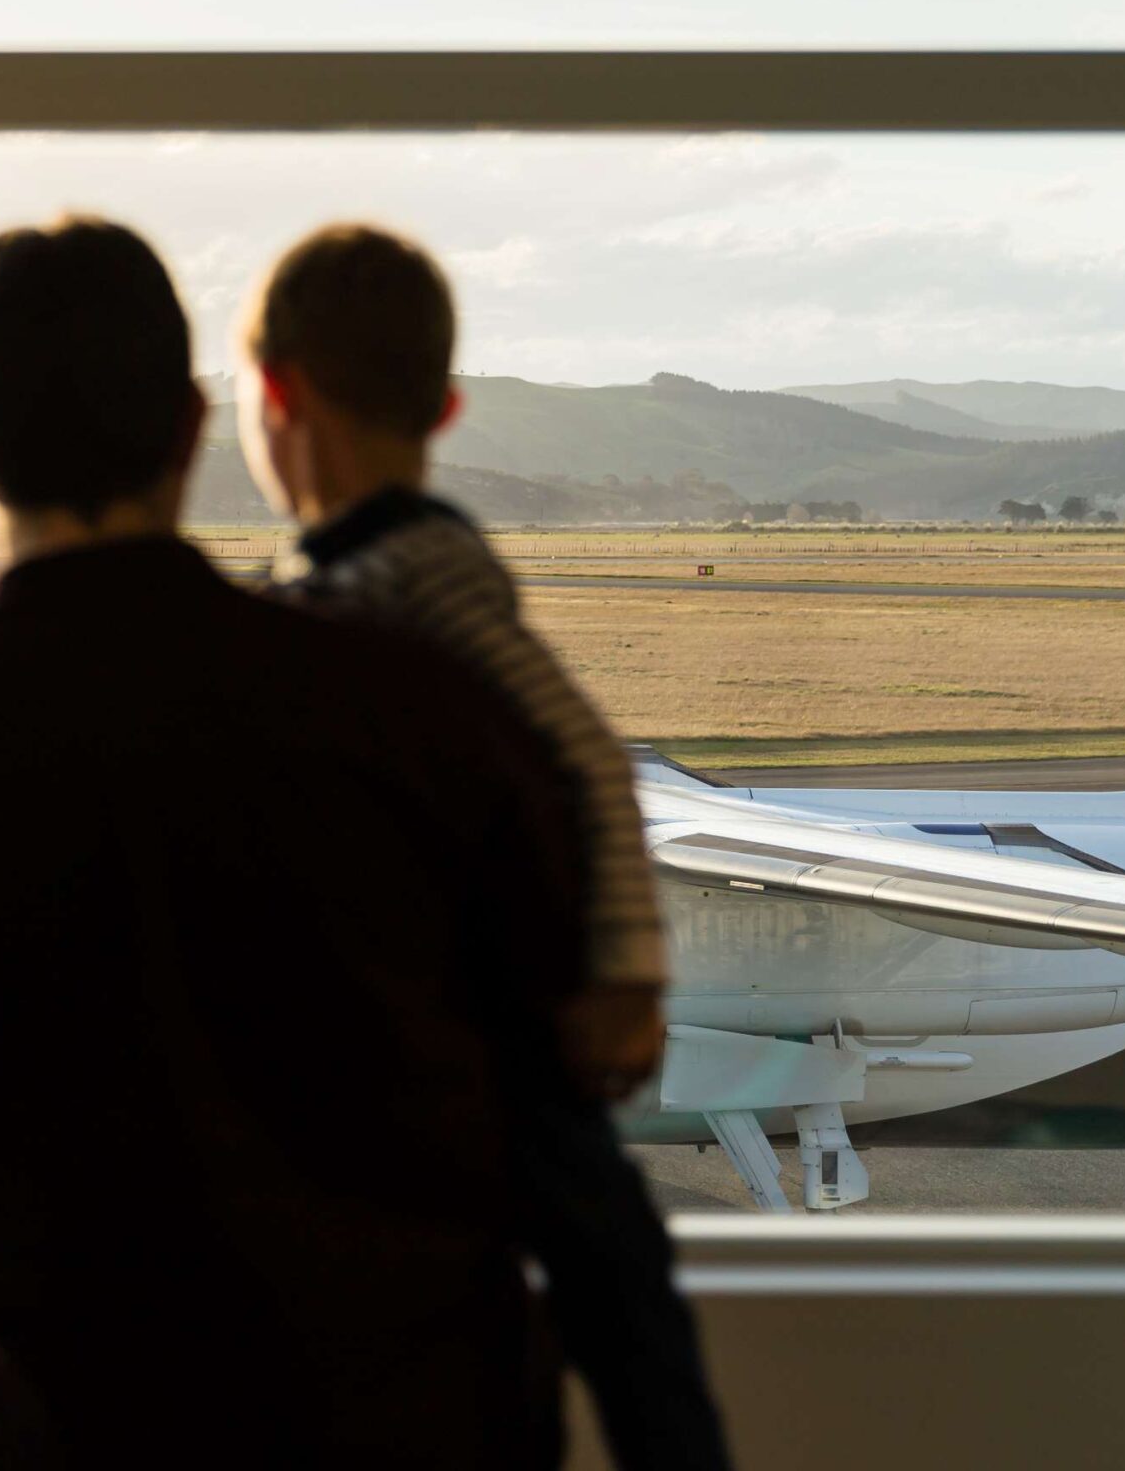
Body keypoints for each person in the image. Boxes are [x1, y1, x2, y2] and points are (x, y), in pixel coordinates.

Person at [0, 215, 594, 1467]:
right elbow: (554, 1018)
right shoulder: (422, 707)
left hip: (86, 1420)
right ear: (194, 432)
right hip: (430, 1416)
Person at [240, 222, 729, 1470]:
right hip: (464, 1010)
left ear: (274, 399)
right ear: (447, 403)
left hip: (502, 1009)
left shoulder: (418, 568)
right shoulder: (342, 575)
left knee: (607, 1268)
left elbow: (584, 756)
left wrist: (625, 969)